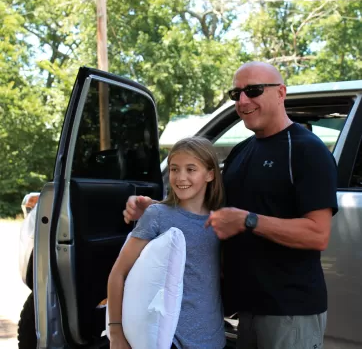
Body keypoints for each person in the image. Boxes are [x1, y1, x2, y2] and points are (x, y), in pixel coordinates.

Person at [123, 62, 338, 349]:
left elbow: (318, 234)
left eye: (253, 90)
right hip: (245, 310)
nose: (243, 100)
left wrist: (249, 221)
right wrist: (157, 208)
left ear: (281, 93)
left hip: (289, 309)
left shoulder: (306, 149)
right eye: (236, 93)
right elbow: (212, 213)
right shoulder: (241, 151)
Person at [108, 136, 226, 349]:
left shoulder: (222, 221)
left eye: (191, 169)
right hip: (169, 340)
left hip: (213, 339)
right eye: (174, 169)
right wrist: (115, 331)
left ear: (210, 174)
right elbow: (119, 273)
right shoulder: (157, 216)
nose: (181, 177)